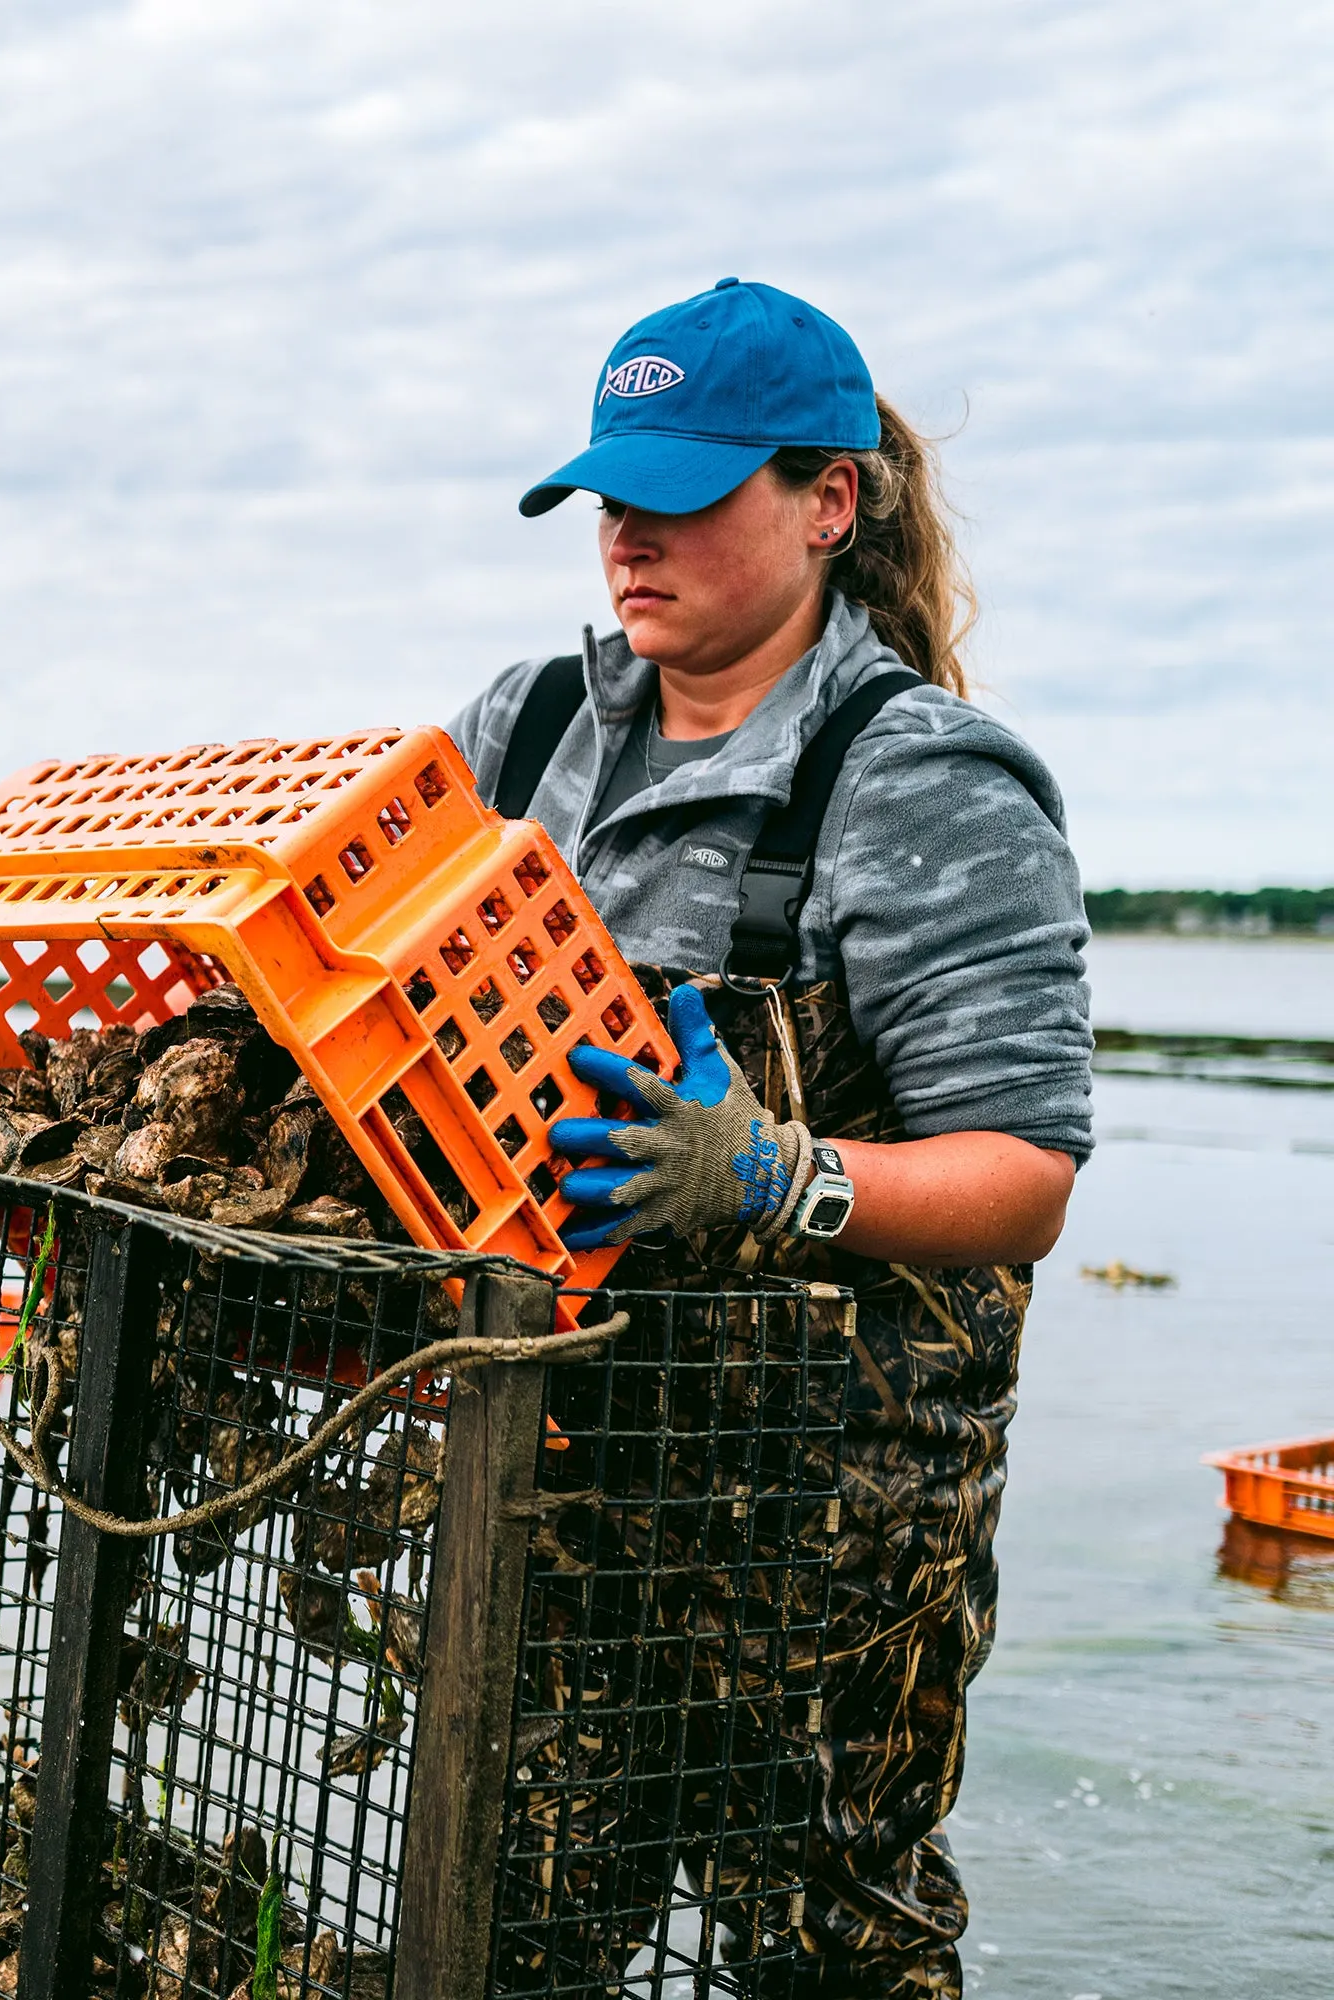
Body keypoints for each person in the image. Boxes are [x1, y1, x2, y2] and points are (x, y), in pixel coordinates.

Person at [448, 279, 1092, 1999]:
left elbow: (1024, 1178)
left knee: (827, 1951)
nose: (628, 534)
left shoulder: (925, 788)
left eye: (685, 489)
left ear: (830, 500)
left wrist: (772, 1175)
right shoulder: (522, 737)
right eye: (609, 493)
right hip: (565, 1478)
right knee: (506, 1921)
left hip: (830, 1532)